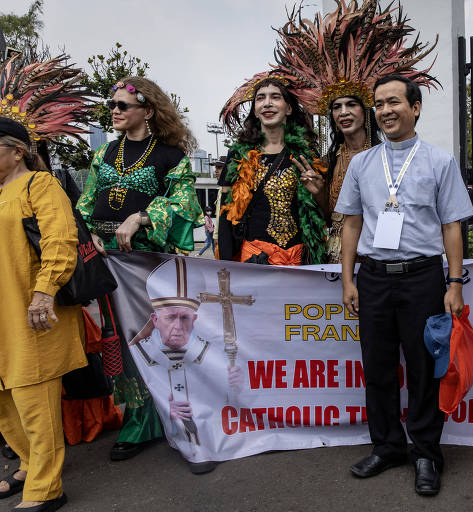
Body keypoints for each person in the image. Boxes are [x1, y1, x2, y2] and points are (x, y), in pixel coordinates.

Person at [335, 74, 473, 496]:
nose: (385, 111)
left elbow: (452, 226)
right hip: (374, 279)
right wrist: (348, 280)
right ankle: (387, 446)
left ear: (415, 108)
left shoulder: (439, 161)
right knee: (376, 368)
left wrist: (454, 284)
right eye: (378, 104)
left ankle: (427, 453)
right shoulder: (361, 164)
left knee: (423, 370)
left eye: (394, 102)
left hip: (422, 279)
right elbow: (351, 224)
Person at [76, 76, 204, 463]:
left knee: (159, 341)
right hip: (106, 262)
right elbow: (85, 203)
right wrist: (89, 235)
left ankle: (181, 418)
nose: (114, 112)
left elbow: (186, 206)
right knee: (121, 343)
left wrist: (143, 217)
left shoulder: (170, 156)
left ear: (147, 111)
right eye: (111, 106)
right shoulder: (103, 155)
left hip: (148, 267)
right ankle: (139, 419)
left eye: (122, 106)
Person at [272, 0, 438, 264]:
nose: (344, 112)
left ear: (366, 111)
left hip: (378, 257)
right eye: (337, 107)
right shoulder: (329, 161)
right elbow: (330, 219)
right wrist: (318, 193)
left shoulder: (386, 157)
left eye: (351, 105)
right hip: (336, 256)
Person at [0, 117, 86, 512]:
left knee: (34, 399)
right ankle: (30, 465)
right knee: (4, 403)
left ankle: (46, 488)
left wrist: (43, 293)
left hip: (32, 310)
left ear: (17, 150)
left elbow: (60, 241)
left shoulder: (41, 184)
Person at [129, 257, 243, 474]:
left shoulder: (210, 352)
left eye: (185, 318)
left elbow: (228, 397)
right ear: (154, 319)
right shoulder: (140, 352)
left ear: (195, 319)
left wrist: (234, 385)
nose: (178, 327)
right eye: (170, 317)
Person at [216, 72, 327, 265]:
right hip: (255, 260)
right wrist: (226, 267)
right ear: (256, 111)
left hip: (300, 261)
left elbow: (322, 215)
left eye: (275, 97)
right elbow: (226, 215)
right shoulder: (238, 154)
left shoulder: (307, 154)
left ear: (289, 108)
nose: (267, 103)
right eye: (260, 98)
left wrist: (319, 193)